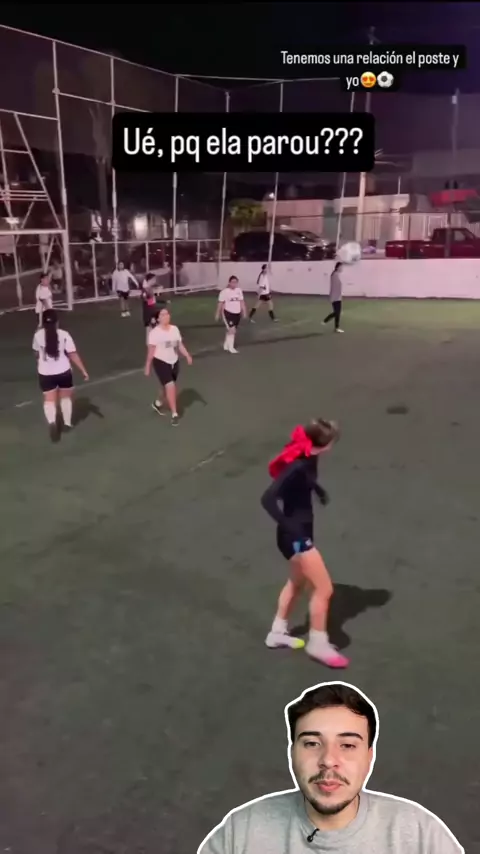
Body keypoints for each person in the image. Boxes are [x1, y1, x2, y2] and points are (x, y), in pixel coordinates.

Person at [198, 682, 464, 854]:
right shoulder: (241, 833)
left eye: (347, 745)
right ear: (291, 753)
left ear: (369, 757)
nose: (328, 759)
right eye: (312, 743)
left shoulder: (420, 835)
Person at [260, 419, 349, 668]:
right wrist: (291, 529)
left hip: (299, 532)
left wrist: (317, 490)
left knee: (296, 582)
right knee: (324, 589)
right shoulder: (297, 465)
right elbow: (267, 499)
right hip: (296, 537)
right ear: (325, 444)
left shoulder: (309, 456)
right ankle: (317, 644)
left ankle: (277, 633)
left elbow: (306, 477)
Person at [32, 308, 89, 440]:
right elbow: (72, 354)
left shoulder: (38, 335)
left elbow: (36, 353)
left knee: (49, 399)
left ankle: (52, 421)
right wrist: (83, 370)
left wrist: (40, 361)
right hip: (63, 371)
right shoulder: (64, 335)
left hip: (45, 373)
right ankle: (67, 423)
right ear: (57, 322)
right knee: (65, 397)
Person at [144, 306, 193, 426]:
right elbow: (151, 351)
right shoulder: (154, 333)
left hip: (174, 362)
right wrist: (148, 365)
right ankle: (174, 414)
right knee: (170, 386)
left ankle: (157, 403)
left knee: (165, 387)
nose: (166, 316)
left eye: (167, 314)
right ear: (158, 319)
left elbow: (179, 344)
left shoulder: (174, 329)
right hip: (160, 362)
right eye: (163, 314)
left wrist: (187, 355)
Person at [215, 275, 247, 354]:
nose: (234, 284)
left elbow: (242, 302)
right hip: (228, 313)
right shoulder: (224, 292)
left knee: (231, 330)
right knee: (232, 330)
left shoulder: (239, 291)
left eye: (235, 282)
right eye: (232, 282)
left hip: (237, 314)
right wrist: (217, 313)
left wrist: (244, 311)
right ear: (229, 283)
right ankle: (231, 348)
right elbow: (220, 303)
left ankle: (226, 345)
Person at [322, 262, 344, 333]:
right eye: (341, 267)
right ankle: (326, 320)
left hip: (338, 297)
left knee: (337, 313)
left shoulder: (336, 274)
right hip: (335, 297)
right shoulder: (335, 275)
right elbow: (335, 287)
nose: (342, 268)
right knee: (337, 312)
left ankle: (336, 328)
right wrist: (333, 296)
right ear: (338, 267)